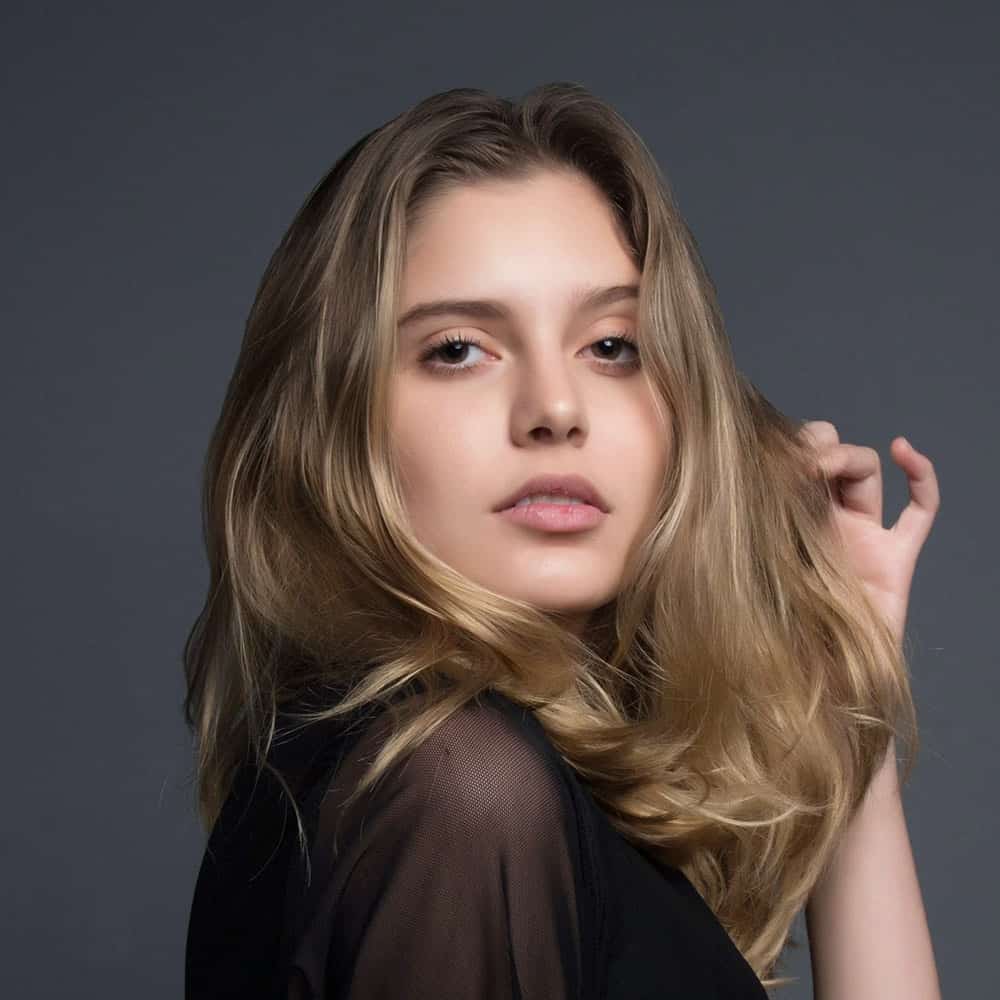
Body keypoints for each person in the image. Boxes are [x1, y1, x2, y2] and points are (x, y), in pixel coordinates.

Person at [182, 82, 942, 998]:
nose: (554, 407)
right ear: (335, 422)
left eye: (612, 345)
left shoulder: (479, 786)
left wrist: (844, 690)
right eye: (458, 348)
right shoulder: (461, 790)